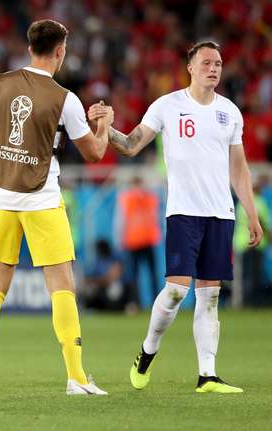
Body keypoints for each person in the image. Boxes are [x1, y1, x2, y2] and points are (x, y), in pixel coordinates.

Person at [90, 41, 262, 393]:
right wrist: (106, 129)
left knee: (210, 296)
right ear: (190, 67)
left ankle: (208, 376)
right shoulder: (168, 106)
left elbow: (240, 168)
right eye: (206, 62)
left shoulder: (230, 112)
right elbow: (132, 145)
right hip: (184, 212)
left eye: (218, 63)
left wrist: (252, 213)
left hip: (221, 214)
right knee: (174, 292)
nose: (214, 68)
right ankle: (147, 351)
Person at [0, 19, 111, 396]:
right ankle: (76, 378)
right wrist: (103, 125)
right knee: (61, 286)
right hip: (42, 198)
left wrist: (0, 157)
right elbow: (94, 153)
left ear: (30, 48)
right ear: (60, 51)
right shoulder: (65, 98)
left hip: (0, 198)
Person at [116, 176, 161, 311]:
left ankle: (154, 303)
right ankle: (135, 303)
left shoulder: (149, 198)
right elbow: (121, 220)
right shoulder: (130, 198)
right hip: (133, 242)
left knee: (148, 274)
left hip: (145, 240)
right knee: (134, 275)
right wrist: (120, 239)